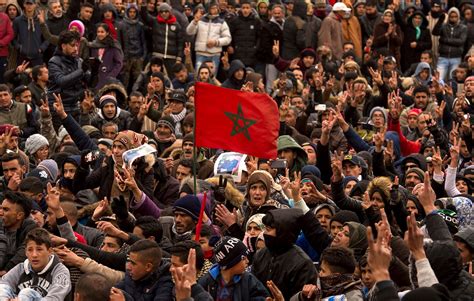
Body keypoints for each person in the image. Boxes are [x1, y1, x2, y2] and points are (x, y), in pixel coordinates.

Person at [0, 228, 71, 300]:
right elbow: (3, 285)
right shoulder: (20, 268)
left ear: (50, 251)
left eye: (39, 249)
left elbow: (55, 298)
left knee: (27, 293)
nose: (34, 255)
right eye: (30, 250)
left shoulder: (60, 271)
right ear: (26, 252)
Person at [198, 236, 270, 299]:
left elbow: (261, 297)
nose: (247, 261)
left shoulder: (248, 279)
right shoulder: (206, 282)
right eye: (243, 258)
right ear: (231, 263)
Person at [47, 30, 86, 129]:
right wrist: (81, 71)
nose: (76, 49)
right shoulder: (54, 62)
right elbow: (62, 81)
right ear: (63, 46)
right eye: (73, 45)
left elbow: (89, 84)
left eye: (77, 46)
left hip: (75, 106)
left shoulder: (79, 61)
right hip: (59, 107)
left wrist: (93, 72)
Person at [186, 0, 231, 71]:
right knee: (199, 77)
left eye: (216, 8)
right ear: (208, 8)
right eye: (212, 8)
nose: (214, 9)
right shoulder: (200, 20)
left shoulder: (222, 22)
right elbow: (189, 32)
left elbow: (228, 38)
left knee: (212, 78)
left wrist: (216, 42)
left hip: (215, 55)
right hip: (200, 54)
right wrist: (194, 21)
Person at [433, 7, 468, 81]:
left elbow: (461, 41)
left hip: (456, 57)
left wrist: (444, 40)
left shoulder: (463, 28)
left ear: (458, 17)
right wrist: (440, 21)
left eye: (455, 16)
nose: (453, 18)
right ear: (449, 17)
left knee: (453, 80)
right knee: (438, 79)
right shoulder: (444, 26)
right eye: (452, 16)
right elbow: (435, 32)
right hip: (443, 56)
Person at [89, 23, 124, 90]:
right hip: (96, 80)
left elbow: (119, 63)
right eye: (98, 32)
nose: (99, 34)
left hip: (109, 80)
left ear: (107, 33)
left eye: (102, 32)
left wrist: (111, 76)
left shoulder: (113, 45)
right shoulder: (93, 45)